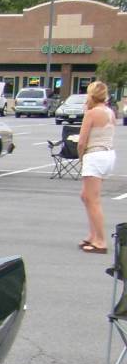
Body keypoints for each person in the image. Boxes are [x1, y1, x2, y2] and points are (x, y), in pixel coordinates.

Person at [76, 80, 116, 254]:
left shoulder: (91, 113)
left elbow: (82, 141)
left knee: (93, 200)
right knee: (86, 196)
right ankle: (92, 235)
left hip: (94, 155)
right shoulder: (110, 112)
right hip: (108, 154)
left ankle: (100, 241)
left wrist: (81, 157)